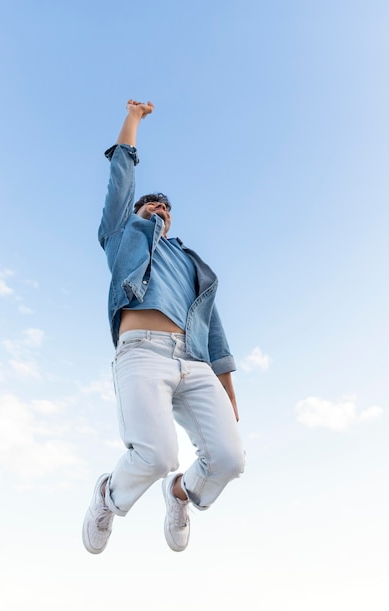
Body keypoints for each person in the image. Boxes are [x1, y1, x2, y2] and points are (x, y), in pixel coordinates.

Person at [82, 99, 245, 553]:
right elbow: (121, 180)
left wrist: (228, 389)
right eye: (150, 203)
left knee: (230, 459)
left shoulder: (193, 263)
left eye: (166, 206)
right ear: (136, 212)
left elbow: (214, 331)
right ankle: (108, 497)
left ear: (172, 219)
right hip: (141, 352)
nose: (159, 206)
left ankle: (179, 494)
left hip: (194, 363)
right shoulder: (122, 236)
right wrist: (133, 119)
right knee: (156, 454)